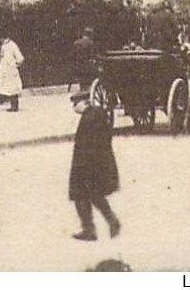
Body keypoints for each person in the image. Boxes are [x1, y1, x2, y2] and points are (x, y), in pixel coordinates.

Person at [67, 89, 120, 241]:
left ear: (82, 103)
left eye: (75, 104)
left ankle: (90, 229)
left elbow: (87, 145)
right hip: (97, 164)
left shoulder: (89, 118)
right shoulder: (96, 114)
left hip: (87, 165)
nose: (74, 109)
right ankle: (111, 222)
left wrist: (83, 167)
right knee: (95, 196)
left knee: (81, 196)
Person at [0, 32, 25, 112]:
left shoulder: (12, 45)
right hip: (4, 70)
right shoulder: (4, 45)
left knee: (12, 88)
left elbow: (20, 58)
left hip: (10, 70)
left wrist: (14, 65)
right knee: (2, 87)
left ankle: (14, 106)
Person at [71, 28, 99, 92]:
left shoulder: (76, 43)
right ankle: (89, 91)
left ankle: (82, 90)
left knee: (82, 80)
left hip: (78, 66)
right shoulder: (90, 43)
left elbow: (73, 55)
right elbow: (93, 55)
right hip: (88, 66)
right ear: (90, 35)